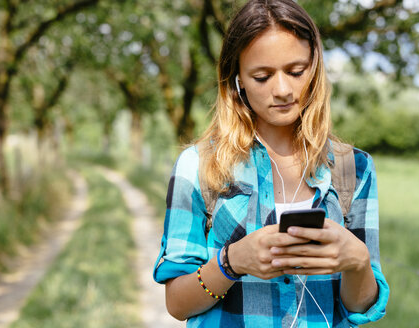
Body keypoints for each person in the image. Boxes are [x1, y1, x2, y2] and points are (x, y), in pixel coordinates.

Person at [153, 0, 389, 327]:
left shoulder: (354, 169)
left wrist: (358, 261)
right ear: (237, 81)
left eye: (296, 72)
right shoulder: (198, 166)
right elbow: (177, 304)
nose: (282, 90)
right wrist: (231, 262)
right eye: (262, 76)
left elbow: (360, 307)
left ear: (315, 68)